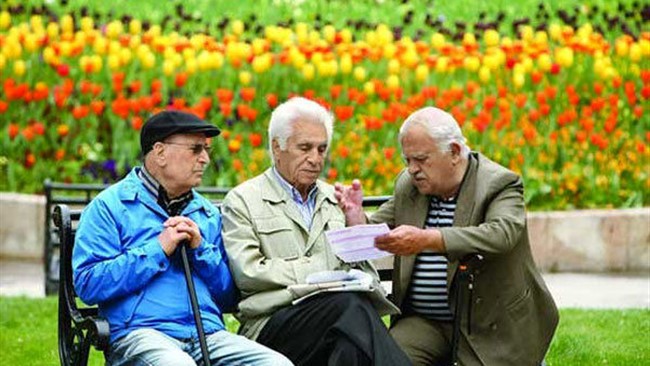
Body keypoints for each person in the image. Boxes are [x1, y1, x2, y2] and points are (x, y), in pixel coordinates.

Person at [335, 106, 559, 366]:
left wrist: (429, 239)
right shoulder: (409, 186)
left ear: (453, 152)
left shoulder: (498, 183)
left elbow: (503, 233)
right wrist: (356, 218)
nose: (412, 169)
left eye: (421, 159)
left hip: (488, 324)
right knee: (386, 361)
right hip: (423, 322)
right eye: (407, 160)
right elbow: (380, 233)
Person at [73, 110, 292, 366]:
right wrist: (158, 249)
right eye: (196, 149)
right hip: (141, 334)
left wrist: (200, 251)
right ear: (160, 152)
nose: (205, 159)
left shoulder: (207, 214)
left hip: (207, 335)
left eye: (206, 150)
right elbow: (88, 284)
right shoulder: (110, 207)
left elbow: (229, 298)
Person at [220, 97, 412, 366]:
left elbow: (367, 276)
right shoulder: (243, 200)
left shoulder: (334, 199)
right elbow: (249, 273)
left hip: (338, 323)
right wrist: (319, 272)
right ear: (277, 147)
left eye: (322, 149)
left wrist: (357, 222)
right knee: (349, 309)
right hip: (271, 325)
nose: (315, 159)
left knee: (348, 346)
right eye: (305, 148)